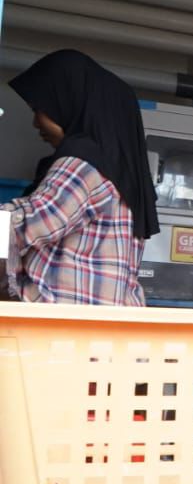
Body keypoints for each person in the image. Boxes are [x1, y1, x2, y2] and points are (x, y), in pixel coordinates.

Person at [2, 49, 159, 304]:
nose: (35, 123)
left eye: (38, 109)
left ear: (66, 103)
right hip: (101, 319)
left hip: (62, 320)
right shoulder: (117, 168)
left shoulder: (84, 163)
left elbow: (31, 222)